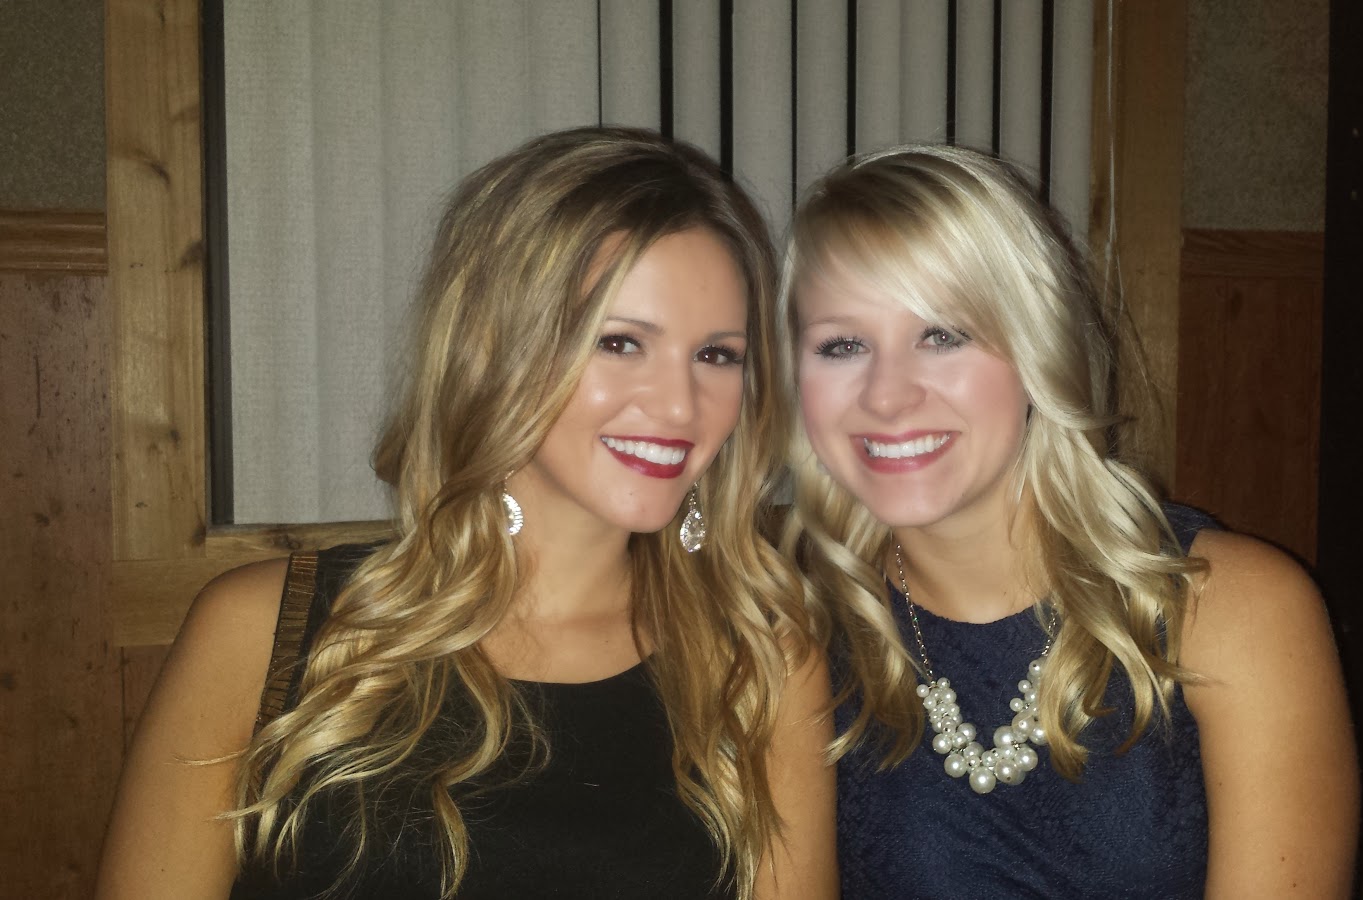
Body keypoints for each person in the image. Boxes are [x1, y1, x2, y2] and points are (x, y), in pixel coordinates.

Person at [96, 127, 836, 900]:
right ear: (490, 349)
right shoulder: (261, 631)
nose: (681, 405)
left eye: (717, 355)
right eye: (619, 343)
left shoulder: (764, 663)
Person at [776, 144, 1358, 897]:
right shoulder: (790, 632)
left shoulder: (1234, 610)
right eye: (843, 345)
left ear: (1037, 347)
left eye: (943, 334)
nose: (886, 395)